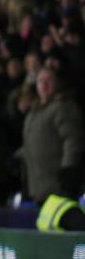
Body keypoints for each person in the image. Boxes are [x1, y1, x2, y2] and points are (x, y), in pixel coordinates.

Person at [22, 66, 85, 231]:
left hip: (58, 184)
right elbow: (33, 142)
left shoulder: (62, 107)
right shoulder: (33, 113)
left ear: (57, 83)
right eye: (41, 81)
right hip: (39, 186)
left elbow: (73, 139)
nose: (44, 85)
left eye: (49, 80)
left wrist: (69, 167)